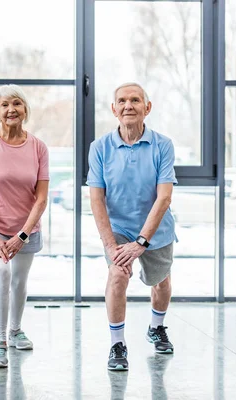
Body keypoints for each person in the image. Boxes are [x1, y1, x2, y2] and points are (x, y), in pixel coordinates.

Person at [87, 82, 177, 371]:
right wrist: (111, 246)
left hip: (156, 229)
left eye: (135, 100)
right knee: (117, 276)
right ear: (114, 110)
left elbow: (164, 197)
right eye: (122, 101)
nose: (128, 105)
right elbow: (97, 199)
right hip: (118, 228)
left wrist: (141, 242)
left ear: (147, 108)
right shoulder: (99, 147)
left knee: (160, 283)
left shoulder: (163, 145)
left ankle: (156, 327)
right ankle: (117, 344)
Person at [0, 84, 49, 368]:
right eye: (5, 104)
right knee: (2, 272)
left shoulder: (38, 147)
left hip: (27, 227)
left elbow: (41, 199)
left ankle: (16, 329)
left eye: (17, 104)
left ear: (25, 109)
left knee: (19, 280)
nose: (11, 109)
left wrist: (22, 235)